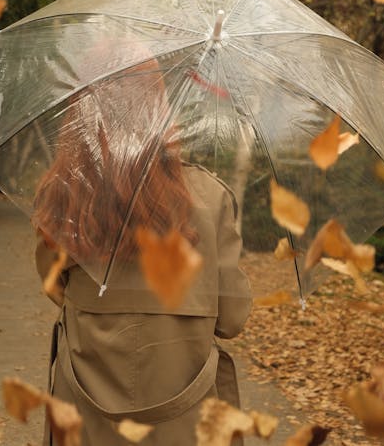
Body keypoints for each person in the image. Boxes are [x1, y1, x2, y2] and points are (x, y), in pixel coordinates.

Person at [33, 52, 252, 446]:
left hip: (83, 425)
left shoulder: (65, 194)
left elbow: (55, 288)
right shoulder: (210, 198)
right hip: (187, 430)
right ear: (158, 105)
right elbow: (232, 319)